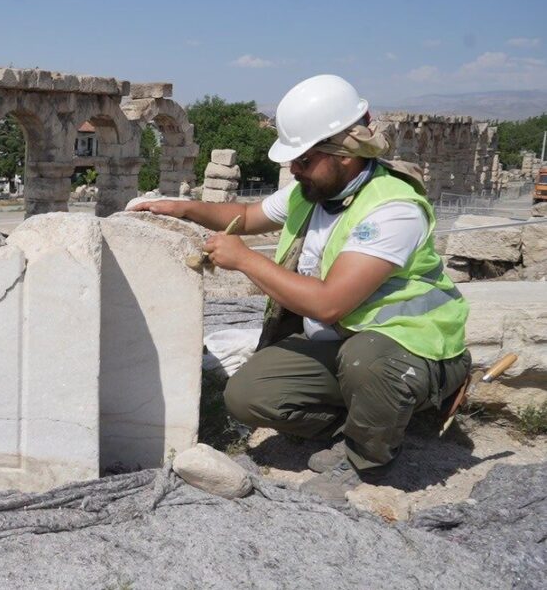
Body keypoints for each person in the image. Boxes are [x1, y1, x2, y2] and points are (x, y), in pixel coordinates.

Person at [132, 74, 470, 502]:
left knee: (367, 361)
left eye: (304, 160)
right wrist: (183, 208)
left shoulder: (391, 208)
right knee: (249, 395)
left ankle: (368, 459)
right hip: (345, 344)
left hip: (412, 347)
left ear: (345, 154)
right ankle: (368, 424)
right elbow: (249, 215)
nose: (294, 170)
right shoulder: (312, 191)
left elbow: (329, 304)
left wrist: (244, 260)